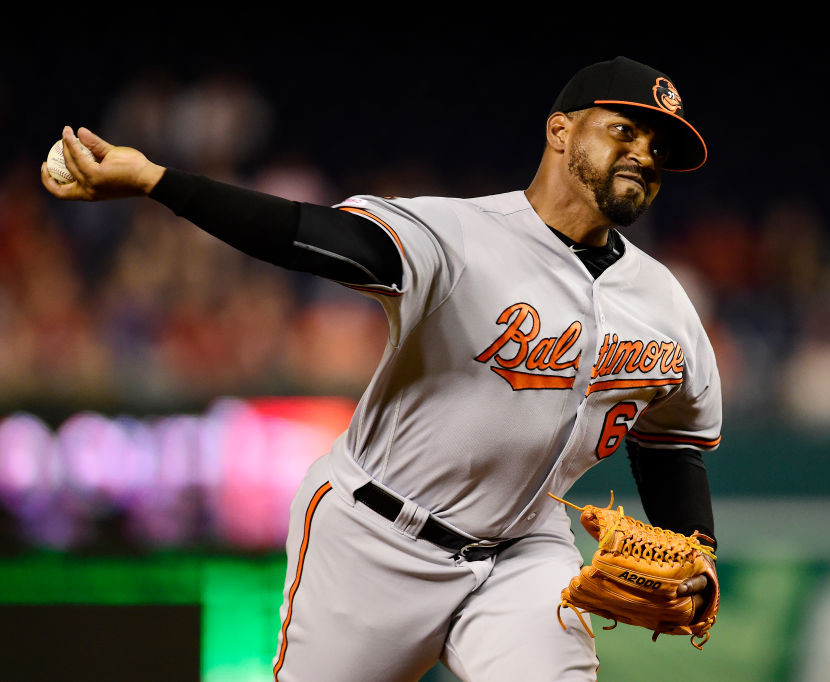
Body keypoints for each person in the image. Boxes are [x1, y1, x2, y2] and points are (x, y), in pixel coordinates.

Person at [41, 56, 722, 682]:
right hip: (376, 537)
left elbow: (671, 442)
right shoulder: (461, 235)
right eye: (625, 129)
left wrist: (696, 550)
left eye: (660, 147)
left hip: (525, 552)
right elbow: (317, 238)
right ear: (560, 131)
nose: (644, 153)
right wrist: (160, 182)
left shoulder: (661, 300)